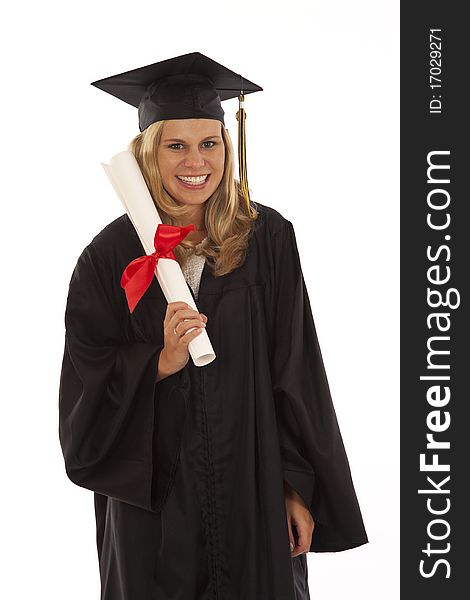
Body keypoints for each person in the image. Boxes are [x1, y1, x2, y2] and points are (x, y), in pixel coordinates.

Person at [58, 52, 368, 600]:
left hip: (251, 482)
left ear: (229, 145)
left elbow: (294, 369)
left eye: (210, 142)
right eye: (175, 145)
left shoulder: (267, 237)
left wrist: (295, 487)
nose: (195, 161)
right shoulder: (109, 256)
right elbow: (85, 380)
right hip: (155, 500)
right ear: (148, 153)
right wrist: (160, 362)